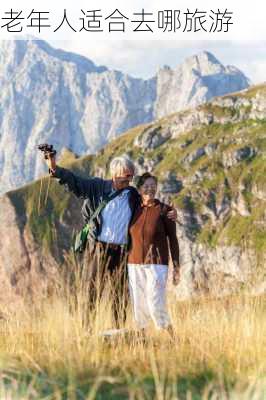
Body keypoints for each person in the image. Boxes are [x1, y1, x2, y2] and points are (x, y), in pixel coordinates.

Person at [43, 150, 177, 328]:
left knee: (119, 295)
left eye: (131, 176)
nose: (129, 180)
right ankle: (86, 330)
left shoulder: (132, 195)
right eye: (126, 176)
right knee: (91, 291)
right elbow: (74, 181)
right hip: (99, 248)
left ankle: (118, 330)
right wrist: (54, 167)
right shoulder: (98, 187)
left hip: (122, 251)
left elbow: (150, 204)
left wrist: (169, 211)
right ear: (115, 173)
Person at [127, 172, 180, 336]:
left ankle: (171, 336)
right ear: (140, 188)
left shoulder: (165, 210)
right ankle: (141, 338)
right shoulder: (133, 209)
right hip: (134, 263)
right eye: (146, 186)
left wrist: (176, 267)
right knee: (138, 304)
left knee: (155, 301)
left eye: (153, 185)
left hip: (157, 264)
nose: (150, 189)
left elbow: (173, 239)